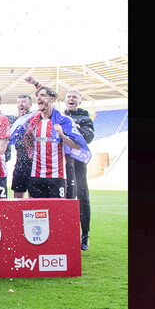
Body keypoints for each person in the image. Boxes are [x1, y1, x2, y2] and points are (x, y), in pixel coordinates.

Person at [8, 81, 88, 200]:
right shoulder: (32, 122)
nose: (39, 98)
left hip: (57, 176)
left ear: (52, 99)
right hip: (36, 175)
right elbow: (27, 143)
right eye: (37, 96)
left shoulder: (64, 120)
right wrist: (26, 139)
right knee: (35, 213)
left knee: (57, 215)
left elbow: (77, 146)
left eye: (43, 95)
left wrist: (62, 135)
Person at [63, 88, 95, 250]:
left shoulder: (85, 118)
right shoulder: (59, 116)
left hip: (78, 165)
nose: (71, 99)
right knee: (66, 200)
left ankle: (85, 234)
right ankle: (67, 234)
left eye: (74, 97)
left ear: (79, 101)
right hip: (62, 165)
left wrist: (74, 126)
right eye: (69, 96)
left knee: (82, 198)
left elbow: (88, 137)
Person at [10, 94, 36, 198]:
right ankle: (17, 213)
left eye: (24, 102)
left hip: (33, 162)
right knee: (17, 191)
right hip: (20, 161)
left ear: (30, 104)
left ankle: (31, 212)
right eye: (19, 102)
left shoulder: (34, 118)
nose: (21, 104)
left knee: (33, 192)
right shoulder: (14, 120)